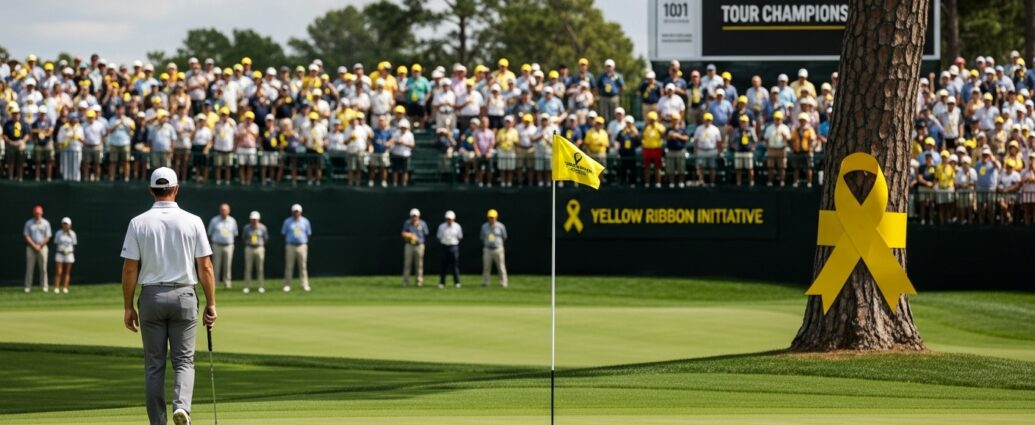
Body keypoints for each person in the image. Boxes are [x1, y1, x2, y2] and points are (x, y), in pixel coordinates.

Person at [120, 166, 217, 425]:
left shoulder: (138, 222)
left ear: (151, 190)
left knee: (154, 364)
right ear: (176, 189)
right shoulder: (193, 220)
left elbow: (130, 268)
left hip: (151, 296)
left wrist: (128, 306)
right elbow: (205, 266)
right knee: (184, 360)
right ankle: (182, 408)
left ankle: (158, 422)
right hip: (185, 295)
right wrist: (211, 303)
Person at [207, 203, 238, 289]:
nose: (223, 211)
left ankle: (227, 283)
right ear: (219, 210)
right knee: (216, 265)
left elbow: (235, 234)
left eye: (225, 209)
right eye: (222, 209)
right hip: (217, 245)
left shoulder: (232, 221)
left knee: (228, 265)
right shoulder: (214, 220)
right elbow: (209, 233)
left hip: (229, 246)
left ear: (229, 211)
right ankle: (215, 283)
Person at [282, 203, 312, 292]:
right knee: (289, 266)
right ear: (292, 212)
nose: (296, 213)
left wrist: (302, 241)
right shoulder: (287, 221)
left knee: (303, 266)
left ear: (300, 212)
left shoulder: (305, 221)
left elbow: (308, 233)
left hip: (302, 245)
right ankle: (287, 285)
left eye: (297, 212)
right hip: (290, 245)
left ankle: (304, 285)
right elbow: (284, 233)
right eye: (294, 212)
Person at [24, 205, 52, 293]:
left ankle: (44, 286)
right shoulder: (29, 223)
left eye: (39, 213)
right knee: (29, 268)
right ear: (34, 213)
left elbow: (48, 236)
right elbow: (26, 236)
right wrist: (34, 246)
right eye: (36, 213)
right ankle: (28, 286)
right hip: (31, 247)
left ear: (42, 213)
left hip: (42, 248)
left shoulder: (46, 223)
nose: (37, 215)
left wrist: (39, 246)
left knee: (43, 268)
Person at [480, 209, 508, 288]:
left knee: (501, 267)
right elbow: (482, 237)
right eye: (490, 217)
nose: (491, 219)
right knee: (486, 267)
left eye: (493, 217)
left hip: (498, 249)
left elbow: (504, 237)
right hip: (487, 249)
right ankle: (485, 282)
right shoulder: (484, 226)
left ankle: (504, 282)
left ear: (496, 217)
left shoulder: (501, 226)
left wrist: (499, 245)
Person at [401, 208, 429, 286]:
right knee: (407, 264)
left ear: (418, 216)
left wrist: (418, 239)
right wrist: (410, 235)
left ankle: (419, 281)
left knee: (419, 264)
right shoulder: (407, 223)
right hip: (409, 245)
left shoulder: (423, 224)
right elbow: (403, 233)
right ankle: (405, 281)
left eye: (415, 216)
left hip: (419, 246)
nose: (414, 218)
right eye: (413, 216)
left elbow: (426, 234)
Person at [241, 211, 268, 294]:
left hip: (259, 248)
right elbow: (244, 238)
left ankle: (260, 286)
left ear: (258, 219)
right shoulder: (247, 228)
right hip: (249, 248)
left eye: (255, 219)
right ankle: (247, 286)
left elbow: (265, 238)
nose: (254, 221)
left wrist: (261, 245)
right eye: (252, 219)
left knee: (260, 268)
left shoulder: (263, 227)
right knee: (248, 268)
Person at [693, 112, 722, 187]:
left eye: (709, 120)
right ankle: (701, 181)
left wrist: (719, 151)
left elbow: (719, 141)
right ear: (704, 120)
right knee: (700, 167)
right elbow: (696, 140)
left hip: (712, 150)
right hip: (701, 150)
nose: (708, 121)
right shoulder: (699, 128)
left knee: (712, 167)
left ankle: (712, 182)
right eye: (706, 120)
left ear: (711, 120)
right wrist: (695, 149)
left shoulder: (715, 129)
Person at [437, 210, 462, 289]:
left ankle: (457, 282)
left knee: (455, 266)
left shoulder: (457, 226)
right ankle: (442, 283)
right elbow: (439, 236)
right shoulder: (441, 226)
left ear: (453, 219)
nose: (449, 220)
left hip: (453, 247)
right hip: (444, 247)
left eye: (450, 219)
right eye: (447, 219)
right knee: (443, 266)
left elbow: (460, 237)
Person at [730, 114, 758, 187]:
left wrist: (752, 148)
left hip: (748, 152)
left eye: (745, 122)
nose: (743, 123)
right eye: (742, 122)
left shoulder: (751, 130)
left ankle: (751, 182)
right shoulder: (736, 130)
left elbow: (755, 140)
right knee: (738, 168)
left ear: (748, 122)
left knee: (750, 168)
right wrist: (735, 147)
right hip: (739, 151)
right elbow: (732, 141)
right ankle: (738, 182)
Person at [764, 110, 791, 187]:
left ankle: (782, 181)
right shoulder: (769, 128)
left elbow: (789, 139)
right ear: (774, 119)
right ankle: (770, 181)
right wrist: (767, 146)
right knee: (770, 166)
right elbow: (766, 138)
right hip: (771, 149)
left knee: (782, 166)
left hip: (782, 149)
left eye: (779, 119)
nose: (777, 120)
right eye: (776, 118)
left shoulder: (785, 128)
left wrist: (784, 136)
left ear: (782, 119)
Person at [52, 217, 77, 294]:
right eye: (64, 224)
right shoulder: (58, 233)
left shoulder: (73, 234)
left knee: (67, 272)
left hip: (69, 254)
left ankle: (65, 288)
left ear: (70, 225)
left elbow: (74, 244)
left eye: (67, 224)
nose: (65, 226)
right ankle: (57, 287)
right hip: (60, 254)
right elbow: (56, 243)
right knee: (59, 272)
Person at [389, 119, 415, 187]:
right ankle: (395, 183)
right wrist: (396, 142)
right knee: (395, 170)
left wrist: (403, 143)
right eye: (402, 127)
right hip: (396, 154)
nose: (403, 129)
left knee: (405, 170)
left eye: (404, 128)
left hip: (405, 155)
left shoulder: (410, 135)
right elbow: (391, 142)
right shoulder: (395, 133)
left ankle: (404, 183)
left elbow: (412, 145)